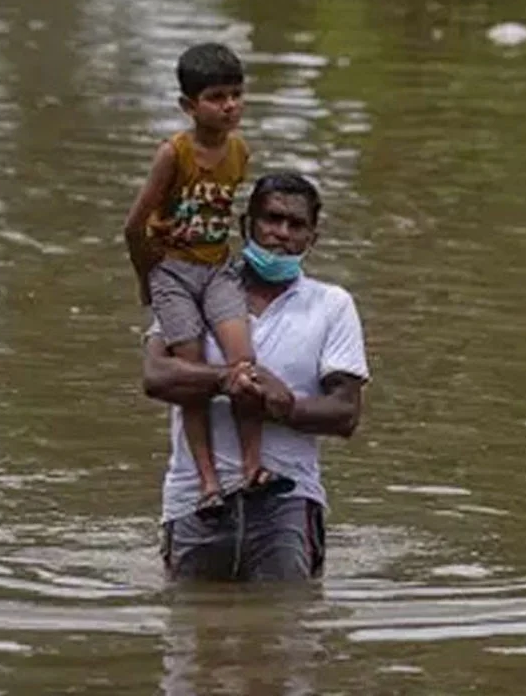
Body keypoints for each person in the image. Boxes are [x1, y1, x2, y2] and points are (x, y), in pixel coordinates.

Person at [141, 172, 369, 583]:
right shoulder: (191, 289)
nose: (281, 233)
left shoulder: (331, 305)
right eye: (271, 219)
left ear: (312, 239)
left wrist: (285, 405)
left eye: (296, 225)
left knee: (287, 635)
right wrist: (228, 379)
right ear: (246, 225)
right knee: (192, 635)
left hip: (288, 500)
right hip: (195, 499)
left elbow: (346, 412)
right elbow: (156, 376)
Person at [124, 42, 286, 520]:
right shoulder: (173, 154)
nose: (230, 106)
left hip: (217, 269)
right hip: (172, 271)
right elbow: (134, 226)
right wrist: (147, 280)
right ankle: (208, 483)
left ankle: (253, 467)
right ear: (189, 106)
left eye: (236, 95)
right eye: (217, 97)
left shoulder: (239, 150)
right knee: (190, 378)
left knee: (245, 362)